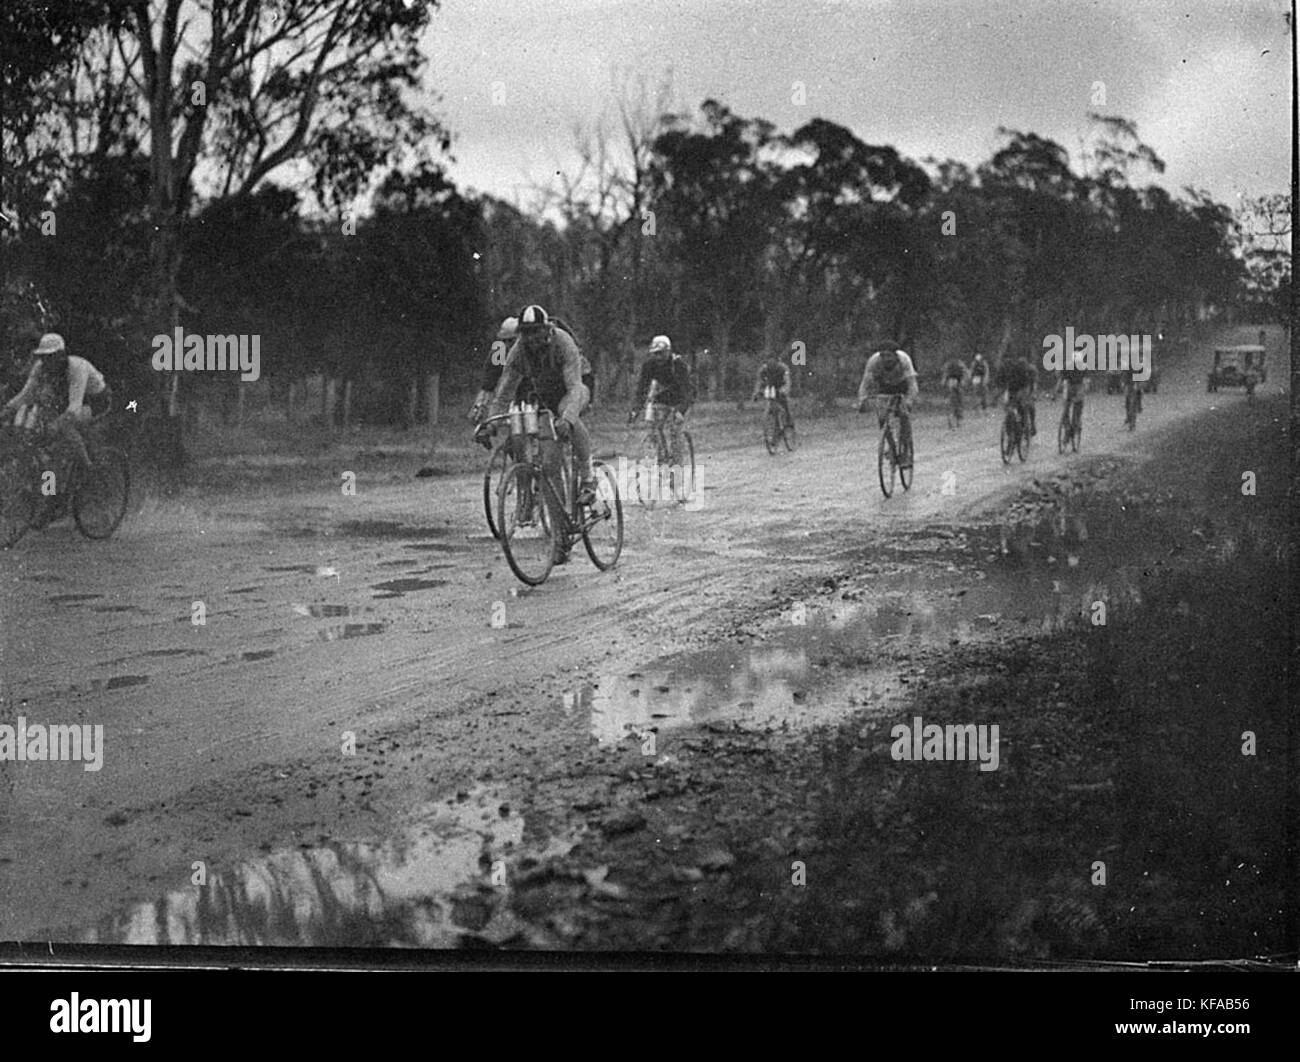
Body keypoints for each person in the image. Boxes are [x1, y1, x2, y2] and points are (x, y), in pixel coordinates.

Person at [479, 304, 595, 508]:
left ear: (546, 329)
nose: (530, 338)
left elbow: (574, 388)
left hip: (577, 384)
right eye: (524, 333)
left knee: (565, 412)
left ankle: (588, 478)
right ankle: (559, 528)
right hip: (546, 392)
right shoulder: (515, 350)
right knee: (549, 464)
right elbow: (503, 390)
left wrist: (567, 418)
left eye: (535, 332)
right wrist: (490, 422)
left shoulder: (563, 342)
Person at [2, 332, 111, 474]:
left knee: (65, 425)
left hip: (96, 400)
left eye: (50, 357)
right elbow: (26, 394)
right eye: (43, 357)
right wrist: (7, 410)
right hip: (68, 399)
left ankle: (87, 467)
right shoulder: (40, 368)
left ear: (61, 356)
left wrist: (57, 424)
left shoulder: (77, 368)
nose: (46, 362)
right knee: (38, 425)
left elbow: (74, 407)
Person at [630, 335, 694, 467]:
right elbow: (642, 388)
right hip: (663, 397)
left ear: (669, 352)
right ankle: (661, 454)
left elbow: (688, 391)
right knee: (652, 426)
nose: (658, 358)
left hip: (681, 398)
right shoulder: (649, 365)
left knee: (675, 429)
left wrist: (681, 411)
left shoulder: (678, 364)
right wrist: (636, 409)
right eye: (655, 354)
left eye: (661, 354)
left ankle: (677, 466)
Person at [856, 343, 919, 465]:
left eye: (889, 356)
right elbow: (865, 383)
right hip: (885, 386)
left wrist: (909, 400)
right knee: (883, 416)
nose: (887, 360)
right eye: (884, 356)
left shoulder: (904, 360)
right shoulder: (874, 362)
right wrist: (862, 400)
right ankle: (891, 446)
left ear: (895, 355)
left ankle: (905, 451)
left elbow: (912, 384)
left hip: (902, 384)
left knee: (903, 415)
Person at [752, 348, 794, 431]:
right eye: (769, 363)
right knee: (771, 404)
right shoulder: (763, 369)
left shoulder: (783, 368)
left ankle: (789, 419)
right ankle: (774, 424)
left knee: (784, 401)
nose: (771, 365)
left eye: (773, 362)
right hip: (771, 386)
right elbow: (759, 382)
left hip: (781, 385)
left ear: (777, 361)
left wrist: (785, 390)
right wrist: (756, 392)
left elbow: (787, 381)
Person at [997, 354, 1037, 437]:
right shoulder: (1011, 371)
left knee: (1028, 406)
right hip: (1014, 389)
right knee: (1010, 407)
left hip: (1024, 389)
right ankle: (1012, 423)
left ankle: (1030, 425)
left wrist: (1032, 394)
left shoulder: (1031, 371)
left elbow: (1032, 385)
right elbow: (1005, 386)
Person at [1056, 361, 1087, 434]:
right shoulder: (1084, 366)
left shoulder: (1067, 366)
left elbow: (1061, 380)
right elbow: (1086, 380)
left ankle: (1067, 425)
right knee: (1078, 405)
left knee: (1066, 406)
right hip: (1078, 387)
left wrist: (1056, 391)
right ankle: (1075, 422)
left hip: (1069, 386)